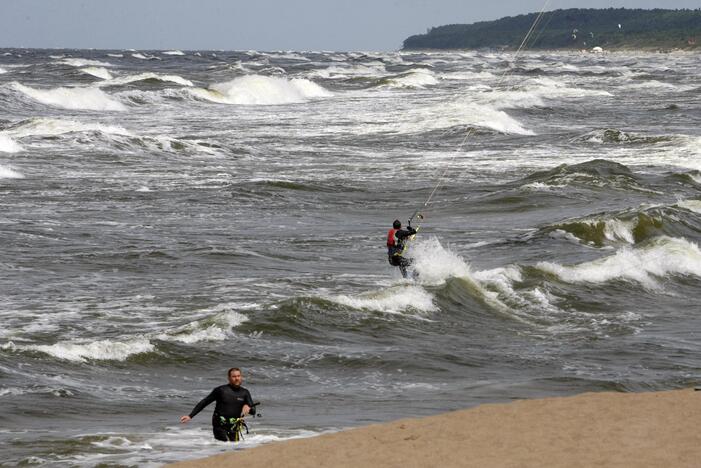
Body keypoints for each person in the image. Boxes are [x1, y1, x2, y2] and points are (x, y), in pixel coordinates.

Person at [180, 367, 255, 442]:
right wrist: (190, 416)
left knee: (234, 448)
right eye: (234, 376)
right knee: (224, 444)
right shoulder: (221, 390)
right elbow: (205, 402)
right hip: (219, 425)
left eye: (238, 376)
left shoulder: (245, 393)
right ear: (229, 378)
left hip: (234, 426)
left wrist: (248, 408)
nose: (237, 378)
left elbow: (253, 411)